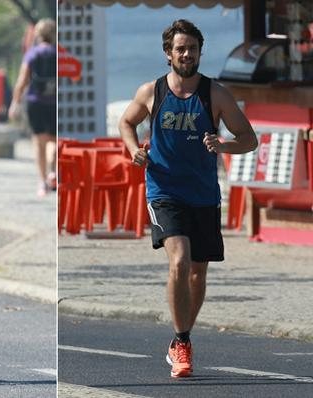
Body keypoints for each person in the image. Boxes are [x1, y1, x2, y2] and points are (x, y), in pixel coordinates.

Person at [118, 19, 257, 378]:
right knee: (179, 259)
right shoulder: (152, 92)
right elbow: (126, 122)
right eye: (180, 48)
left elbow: (249, 138)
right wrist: (134, 150)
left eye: (192, 49)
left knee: (197, 273)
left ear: (199, 52)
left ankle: (181, 336)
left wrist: (223, 145)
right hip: (164, 190)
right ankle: (182, 342)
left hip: (203, 195)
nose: (186, 54)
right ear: (168, 54)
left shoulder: (216, 95)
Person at [8, 18, 56, 197]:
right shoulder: (58, 53)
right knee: (53, 140)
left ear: (37, 34)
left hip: (35, 102)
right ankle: (53, 171)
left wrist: (15, 102)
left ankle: (42, 182)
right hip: (54, 103)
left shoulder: (33, 53)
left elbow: (22, 80)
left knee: (39, 142)